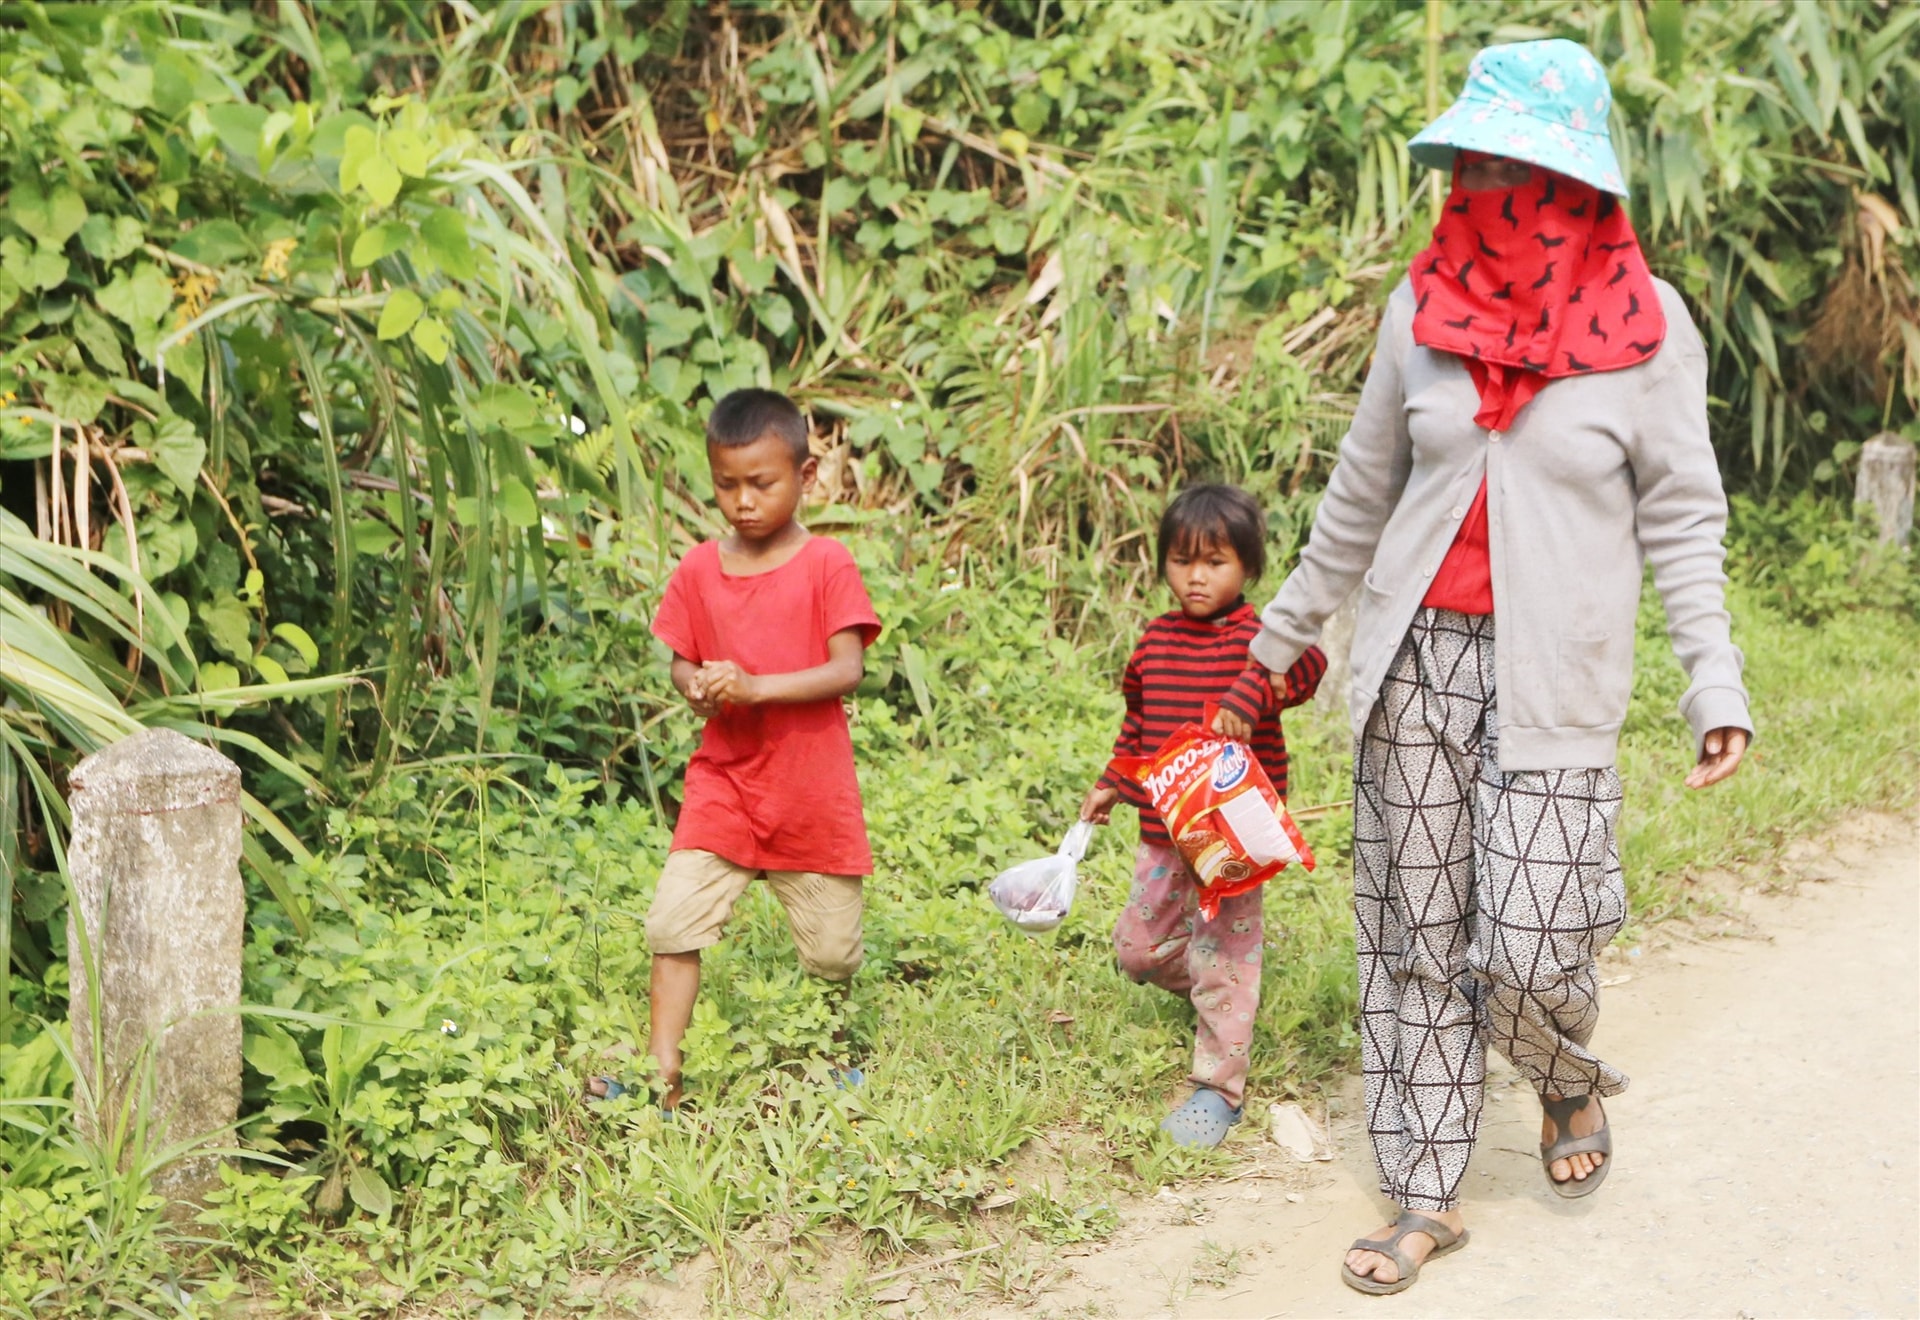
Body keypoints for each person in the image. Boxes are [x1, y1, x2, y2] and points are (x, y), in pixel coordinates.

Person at [1233, 40, 1753, 1294]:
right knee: (1417, 934)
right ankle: (1426, 1192)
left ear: (1580, 186)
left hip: (1558, 679)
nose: (1493, 186)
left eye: (1521, 166)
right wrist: (1271, 647)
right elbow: (1359, 500)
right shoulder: (1419, 310)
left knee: (1530, 942)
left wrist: (1713, 679)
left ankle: (1565, 1077)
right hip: (1412, 665)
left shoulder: (1648, 328)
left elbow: (1684, 516)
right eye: (1478, 162)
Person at [591, 388, 881, 1110]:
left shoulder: (825, 564)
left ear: (807, 476)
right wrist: (696, 685)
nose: (743, 501)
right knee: (671, 920)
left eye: (762, 483)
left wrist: (756, 689)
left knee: (833, 953)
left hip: (810, 789)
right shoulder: (699, 569)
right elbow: (680, 660)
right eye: (727, 485)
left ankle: (831, 1046)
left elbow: (848, 669)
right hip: (725, 781)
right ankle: (662, 1072)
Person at [1080, 484, 1328, 1147]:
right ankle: (1222, 993)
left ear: (1247, 567)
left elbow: (1308, 666)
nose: (1196, 576)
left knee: (1223, 961)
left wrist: (1258, 680)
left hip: (1232, 842)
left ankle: (1218, 1088)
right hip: (1164, 834)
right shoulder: (1156, 641)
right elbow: (1138, 724)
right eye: (1182, 560)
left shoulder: (1262, 638)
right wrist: (1111, 782)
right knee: (1137, 949)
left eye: (1214, 562)